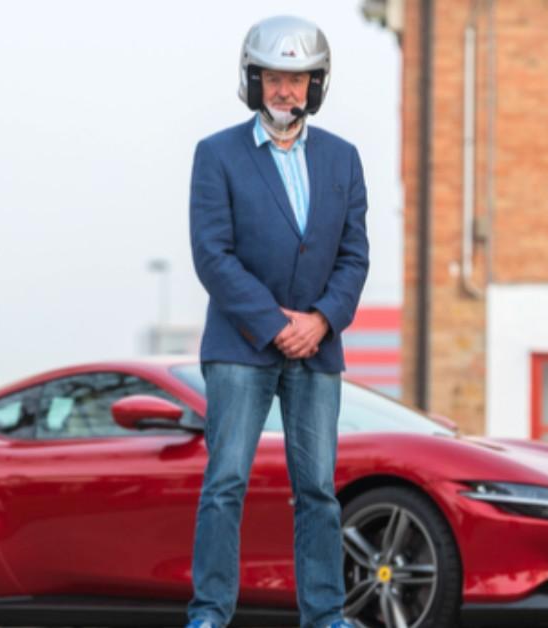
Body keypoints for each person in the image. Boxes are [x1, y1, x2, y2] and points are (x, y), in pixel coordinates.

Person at [185, 15, 369, 628]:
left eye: (297, 79)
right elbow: (212, 254)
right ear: (253, 81)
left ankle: (326, 616)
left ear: (316, 84)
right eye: (272, 78)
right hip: (239, 348)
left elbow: (354, 256)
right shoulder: (216, 155)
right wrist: (273, 323)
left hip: (318, 350)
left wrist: (319, 321)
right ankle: (209, 613)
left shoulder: (344, 161)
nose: (284, 91)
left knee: (317, 489)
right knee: (226, 481)